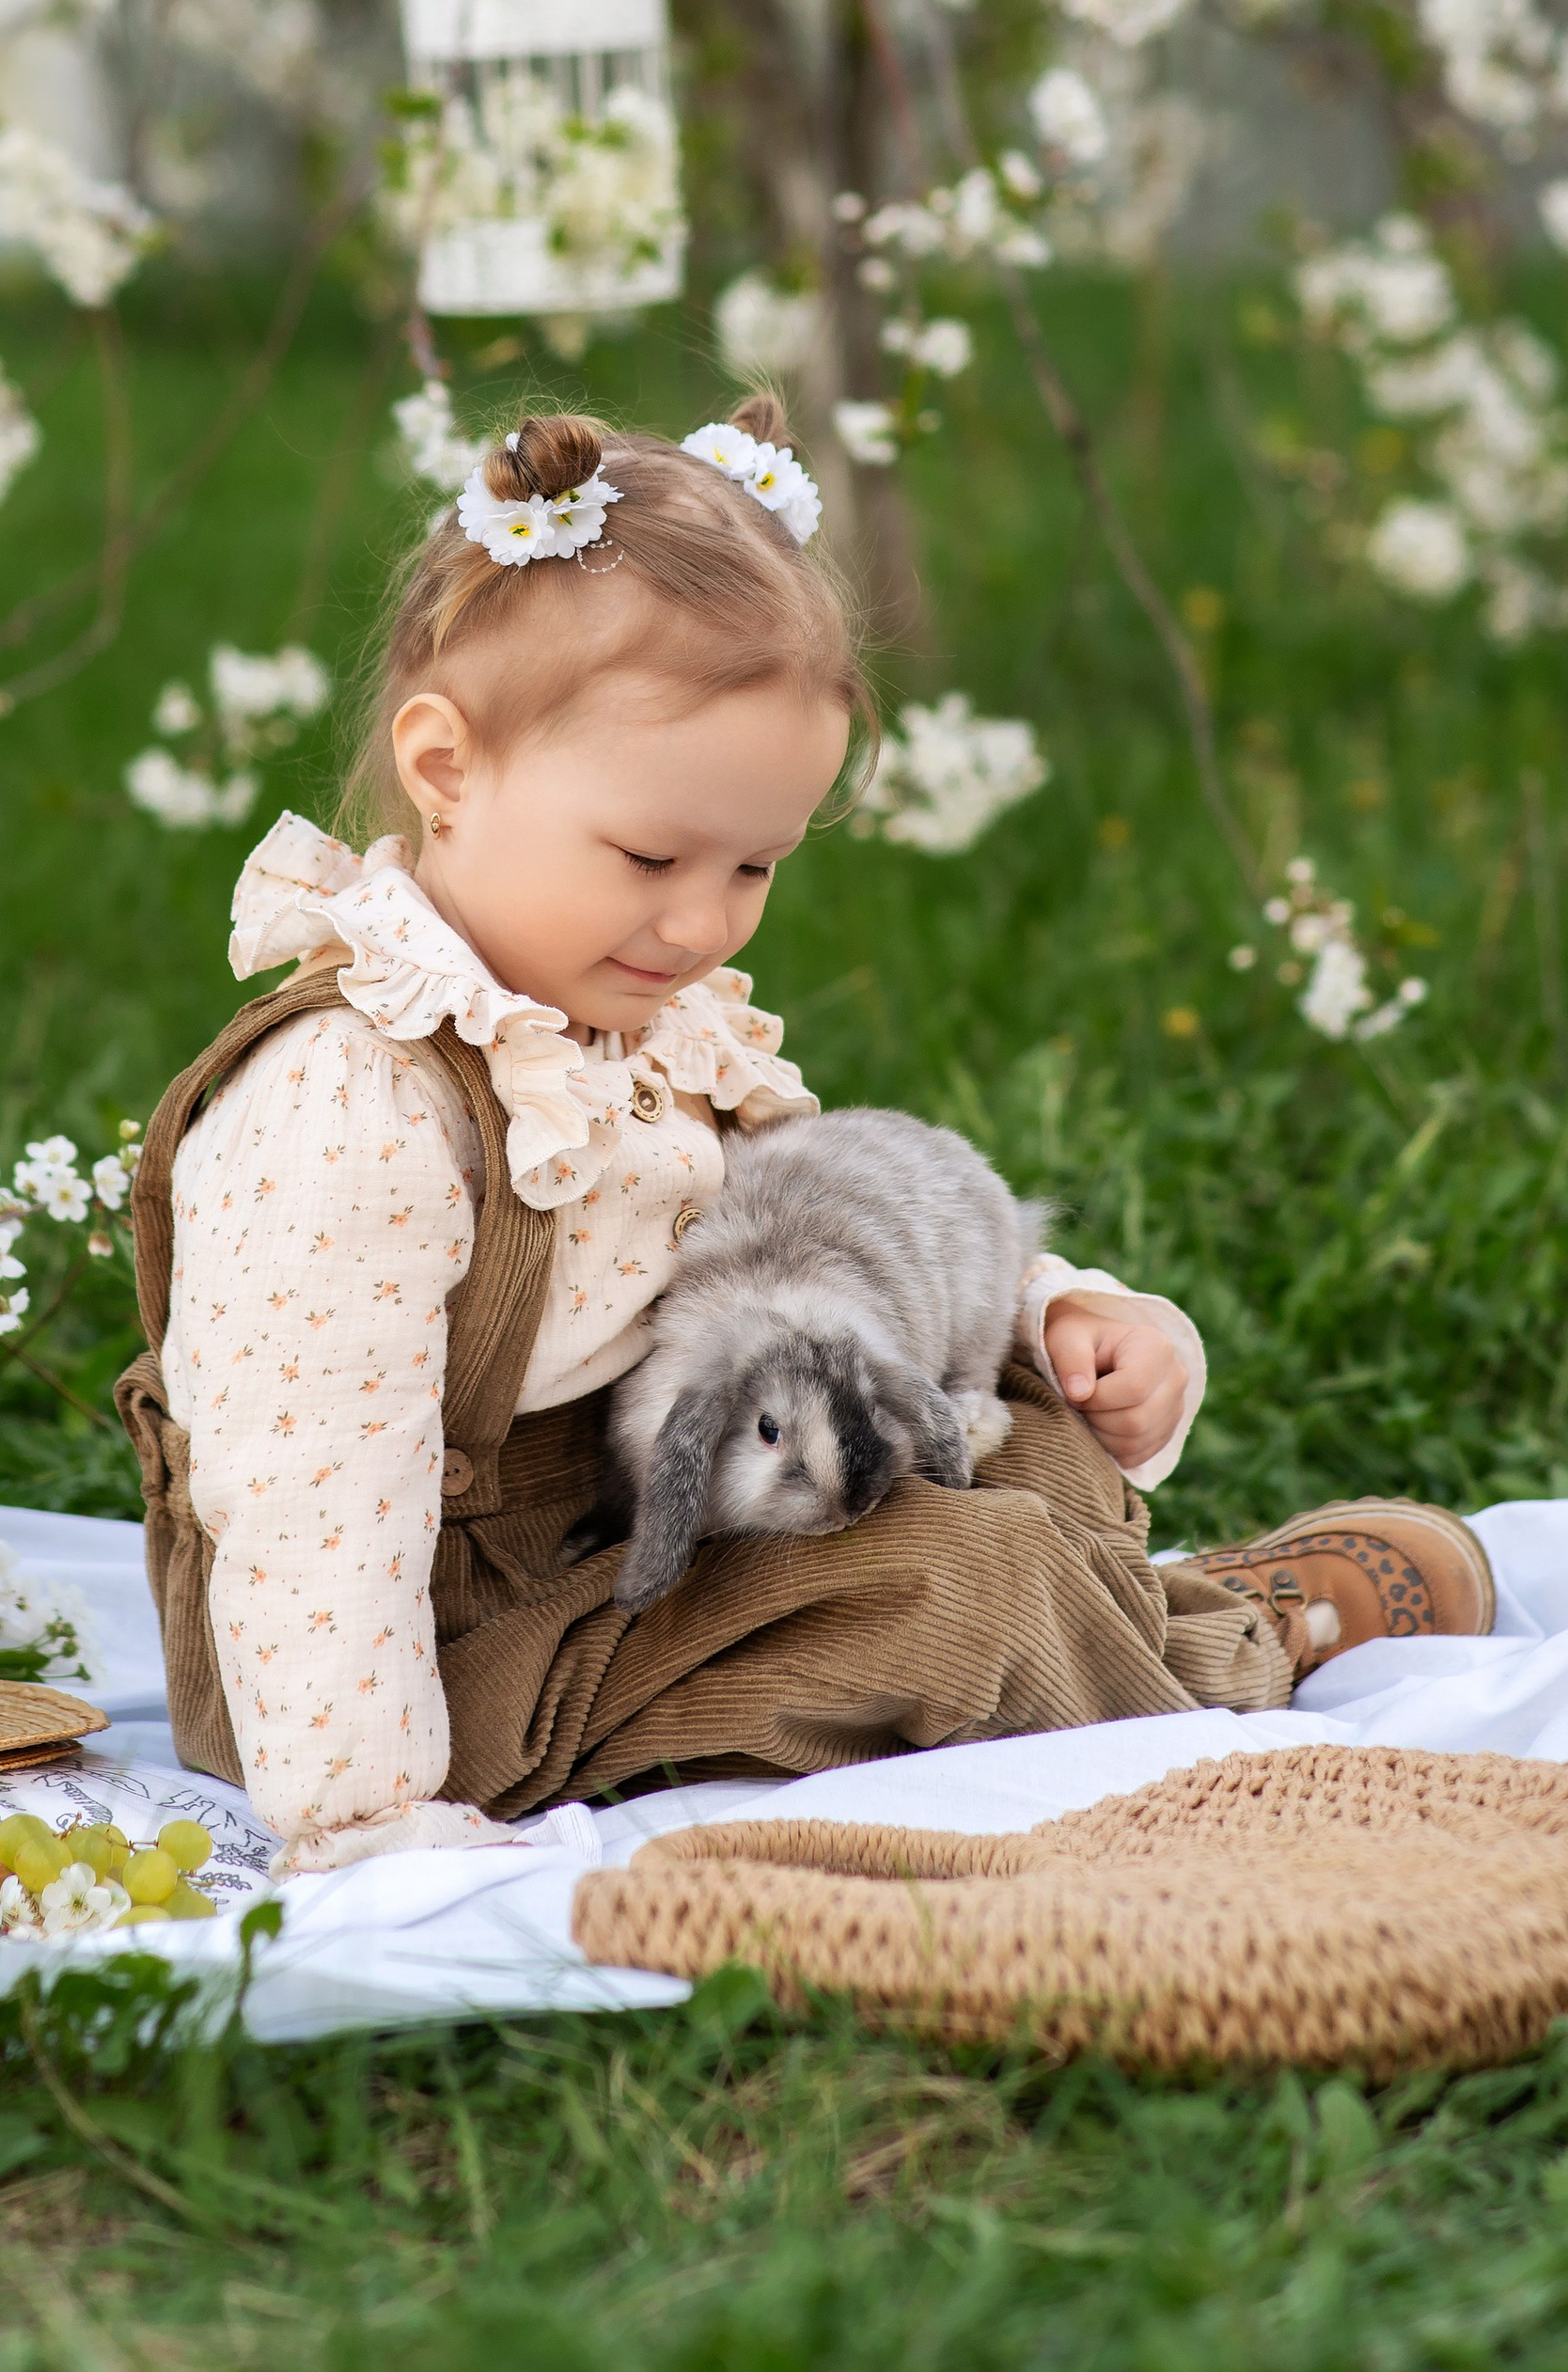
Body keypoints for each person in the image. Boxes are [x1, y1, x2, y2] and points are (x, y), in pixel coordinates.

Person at [116, 400, 1493, 1872]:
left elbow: (824, 1232)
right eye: (651, 857)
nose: (703, 923)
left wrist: (1057, 1314)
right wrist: (370, 1811)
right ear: (447, 770)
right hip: (438, 1661)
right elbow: (309, 1499)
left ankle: (1127, 1610)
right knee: (955, 1590)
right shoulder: (352, 1107)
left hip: (661, 1516)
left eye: (757, 864)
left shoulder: (653, 1028)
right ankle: (1238, 1647)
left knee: (1029, 1458)